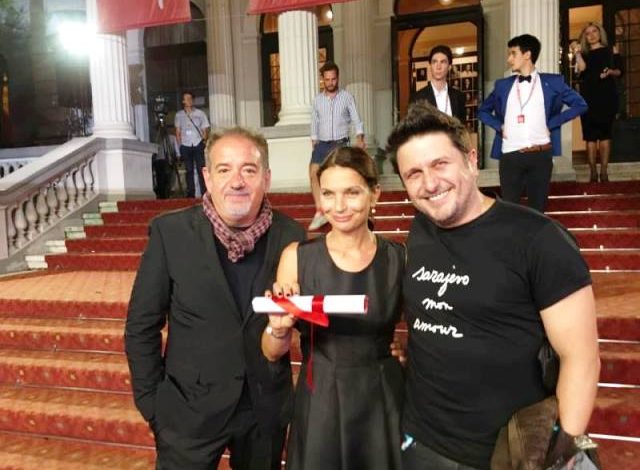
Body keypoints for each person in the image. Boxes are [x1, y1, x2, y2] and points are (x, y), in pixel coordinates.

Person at [387, 102, 600, 470]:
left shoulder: (539, 239)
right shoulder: (420, 230)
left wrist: (559, 455)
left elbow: (581, 359)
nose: (430, 183)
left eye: (440, 164)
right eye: (414, 173)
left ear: (471, 161)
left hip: (507, 453)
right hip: (419, 442)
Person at [125, 127, 306, 469]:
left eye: (249, 170)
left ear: (266, 178)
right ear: (207, 177)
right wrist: (152, 405)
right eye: (224, 170)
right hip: (188, 411)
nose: (237, 182)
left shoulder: (291, 236)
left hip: (263, 411)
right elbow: (141, 325)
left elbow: (308, 324)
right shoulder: (171, 233)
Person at [262, 146, 405, 469]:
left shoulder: (399, 258)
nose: (338, 206)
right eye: (328, 193)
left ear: (375, 194)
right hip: (321, 397)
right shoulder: (297, 257)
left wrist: (405, 349)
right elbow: (271, 352)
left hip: (382, 396)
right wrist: (278, 328)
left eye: (351, 192)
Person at [478, 34, 587, 213]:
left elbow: (580, 105)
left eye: (513, 53)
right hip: (510, 156)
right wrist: (499, 126)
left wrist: (551, 123)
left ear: (527, 54)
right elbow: (482, 111)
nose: (509, 59)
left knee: (538, 210)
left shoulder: (553, 82)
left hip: (540, 155)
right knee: (510, 211)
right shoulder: (502, 86)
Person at [309, 62, 365, 231]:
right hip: (322, 143)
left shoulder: (347, 97)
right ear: (323, 80)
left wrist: (360, 138)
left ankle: (340, 209)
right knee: (313, 172)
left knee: (338, 176)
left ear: (337, 78)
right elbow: (315, 121)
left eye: (333, 79)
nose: (330, 82)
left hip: (340, 143)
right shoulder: (317, 100)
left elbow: (356, 119)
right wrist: (314, 140)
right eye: (327, 79)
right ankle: (320, 211)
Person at [573, 22, 623, 182]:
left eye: (594, 31)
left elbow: (620, 71)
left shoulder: (611, 50)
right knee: (590, 136)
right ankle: (593, 172)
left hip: (607, 96)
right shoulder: (583, 53)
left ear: (600, 33)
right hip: (588, 97)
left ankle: (604, 172)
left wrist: (610, 72)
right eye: (588, 33)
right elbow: (582, 69)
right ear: (585, 38)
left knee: (605, 134)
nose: (592, 35)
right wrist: (577, 53)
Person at [411, 45, 466, 123]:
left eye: (443, 62)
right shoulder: (417, 98)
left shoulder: (459, 96)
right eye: (434, 62)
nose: (438, 67)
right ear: (430, 66)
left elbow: (462, 127)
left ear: (449, 67)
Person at [175, 91, 210, 198]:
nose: (189, 100)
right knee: (189, 170)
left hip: (198, 143)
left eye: (190, 98)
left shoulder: (200, 113)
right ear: (183, 101)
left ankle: (204, 192)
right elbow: (178, 132)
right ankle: (191, 193)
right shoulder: (179, 115)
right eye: (187, 99)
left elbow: (205, 129)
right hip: (185, 145)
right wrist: (180, 147)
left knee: (201, 169)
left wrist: (204, 139)